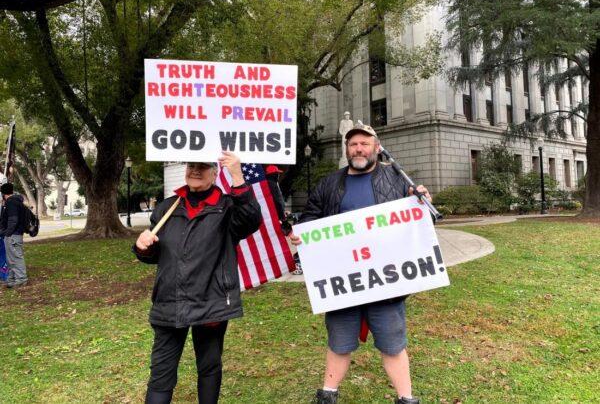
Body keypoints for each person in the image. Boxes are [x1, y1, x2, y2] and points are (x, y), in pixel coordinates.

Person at [289, 123, 431, 404]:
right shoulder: (329, 184)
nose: (358, 148)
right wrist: (302, 234)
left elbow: (422, 222)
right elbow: (310, 217)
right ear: (346, 149)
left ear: (377, 148)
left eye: (365, 143)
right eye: (353, 144)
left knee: (393, 344)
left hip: (387, 279)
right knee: (339, 342)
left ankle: (406, 398)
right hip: (344, 281)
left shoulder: (397, 179)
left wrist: (424, 203)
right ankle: (327, 395)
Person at [134, 152, 262, 404]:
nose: (195, 170)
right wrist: (143, 247)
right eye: (191, 165)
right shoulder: (166, 208)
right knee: (161, 374)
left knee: (209, 366)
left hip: (210, 302)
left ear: (215, 173)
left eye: (203, 166)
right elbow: (155, 255)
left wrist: (237, 175)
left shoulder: (227, 208)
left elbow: (251, 220)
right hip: (169, 302)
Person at [0, 182, 28, 288]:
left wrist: (7, 233)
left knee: (16, 257)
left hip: (13, 235)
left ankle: (21, 279)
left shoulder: (11, 202)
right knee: (10, 258)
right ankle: (12, 279)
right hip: (14, 234)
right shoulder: (16, 201)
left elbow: (13, 219)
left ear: (3, 193)